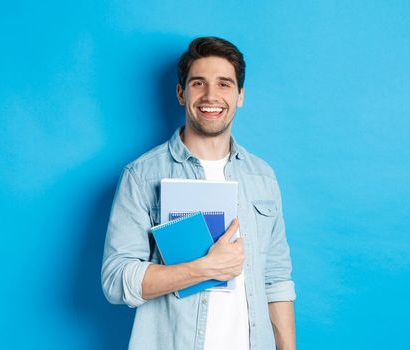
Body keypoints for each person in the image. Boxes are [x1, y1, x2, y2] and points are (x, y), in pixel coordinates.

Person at [101, 36, 296, 350]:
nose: (211, 96)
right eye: (198, 84)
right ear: (181, 93)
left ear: (240, 95)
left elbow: (276, 279)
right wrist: (205, 268)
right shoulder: (141, 176)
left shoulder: (262, 177)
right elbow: (116, 279)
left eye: (224, 84)